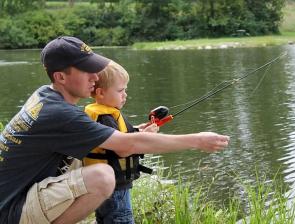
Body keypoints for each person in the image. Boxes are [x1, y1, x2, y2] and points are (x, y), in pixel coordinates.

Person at [0, 36, 230, 224]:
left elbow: (111, 138)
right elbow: (128, 145)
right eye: (86, 70)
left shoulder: (44, 96)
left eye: (95, 68)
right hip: (11, 210)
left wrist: (136, 130)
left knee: (98, 153)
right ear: (60, 77)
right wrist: (198, 140)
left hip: (14, 196)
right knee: (102, 176)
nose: (96, 77)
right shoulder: (60, 114)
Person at [82, 60, 157, 223]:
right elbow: (122, 148)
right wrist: (147, 136)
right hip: (115, 187)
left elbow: (117, 136)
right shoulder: (106, 118)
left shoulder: (100, 115)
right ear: (101, 93)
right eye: (120, 90)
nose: (125, 95)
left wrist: (137, 130)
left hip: (103, 185)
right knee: (121, 219)